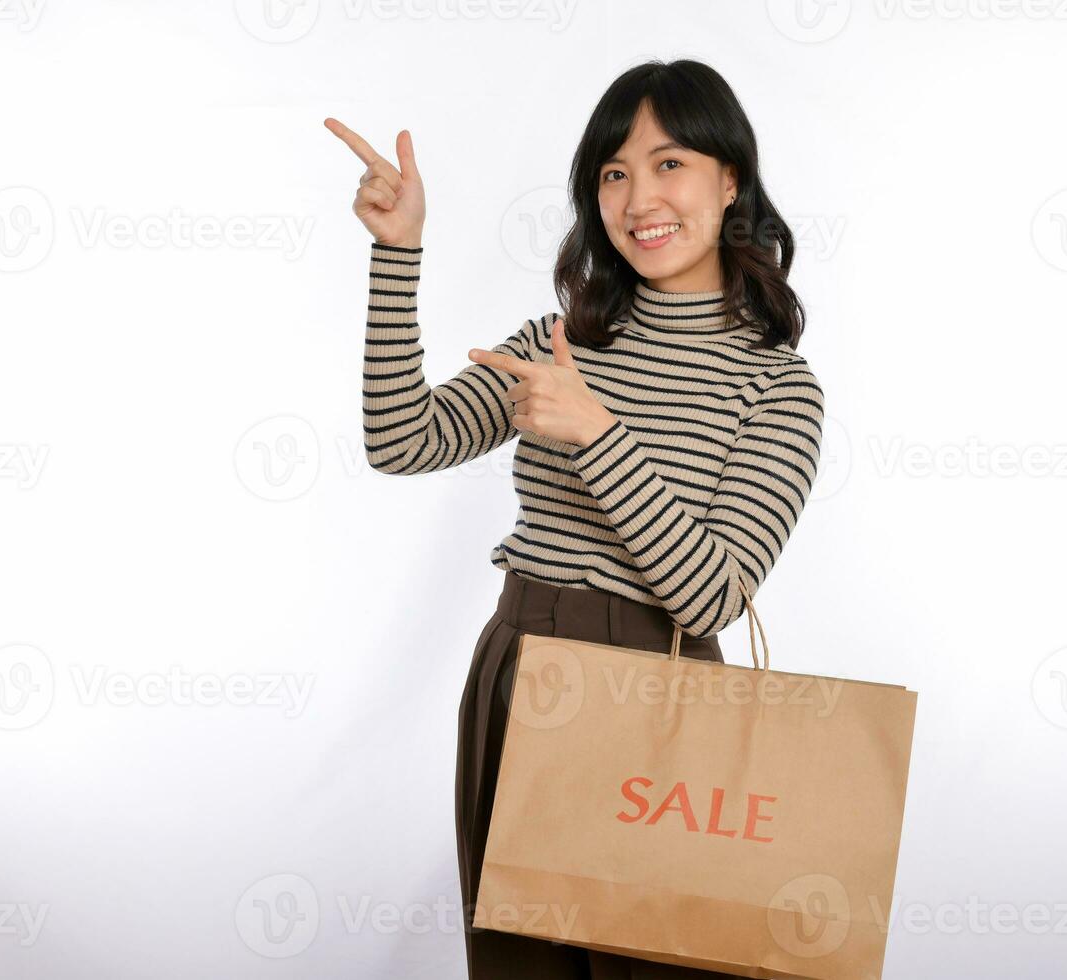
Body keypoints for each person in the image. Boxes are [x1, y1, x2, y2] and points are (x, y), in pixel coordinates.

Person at [327, 57, 823, 979]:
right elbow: (401, 439)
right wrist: (398, 254)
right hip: (521, 673)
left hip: (663, 698)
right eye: (613, 172)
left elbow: (710, 595)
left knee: (660, 964)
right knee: (523, 966)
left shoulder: (777, 387)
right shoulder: (560, 343)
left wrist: (597, 433)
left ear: (731, 180)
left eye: (669, 163)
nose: (640, 197)